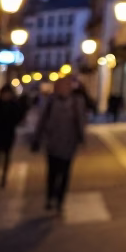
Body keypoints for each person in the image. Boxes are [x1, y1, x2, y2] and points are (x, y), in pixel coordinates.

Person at [32, 77, 87, 213]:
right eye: (60, 86)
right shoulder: (50, 102)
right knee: (52, 172)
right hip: (52, 144)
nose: (62, 88)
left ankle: (60, 200)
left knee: (65, 173)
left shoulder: (77, 102)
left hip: (69, 144)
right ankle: (50, 197)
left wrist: (81, 138)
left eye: (65, 86)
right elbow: (42, 120)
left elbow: (80, 121)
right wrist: (37, 139)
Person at [0, 85, 23, 187]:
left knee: (6, 156)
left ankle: (3, 178)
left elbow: (18, 116)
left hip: (7, 134)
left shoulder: (13, 105)